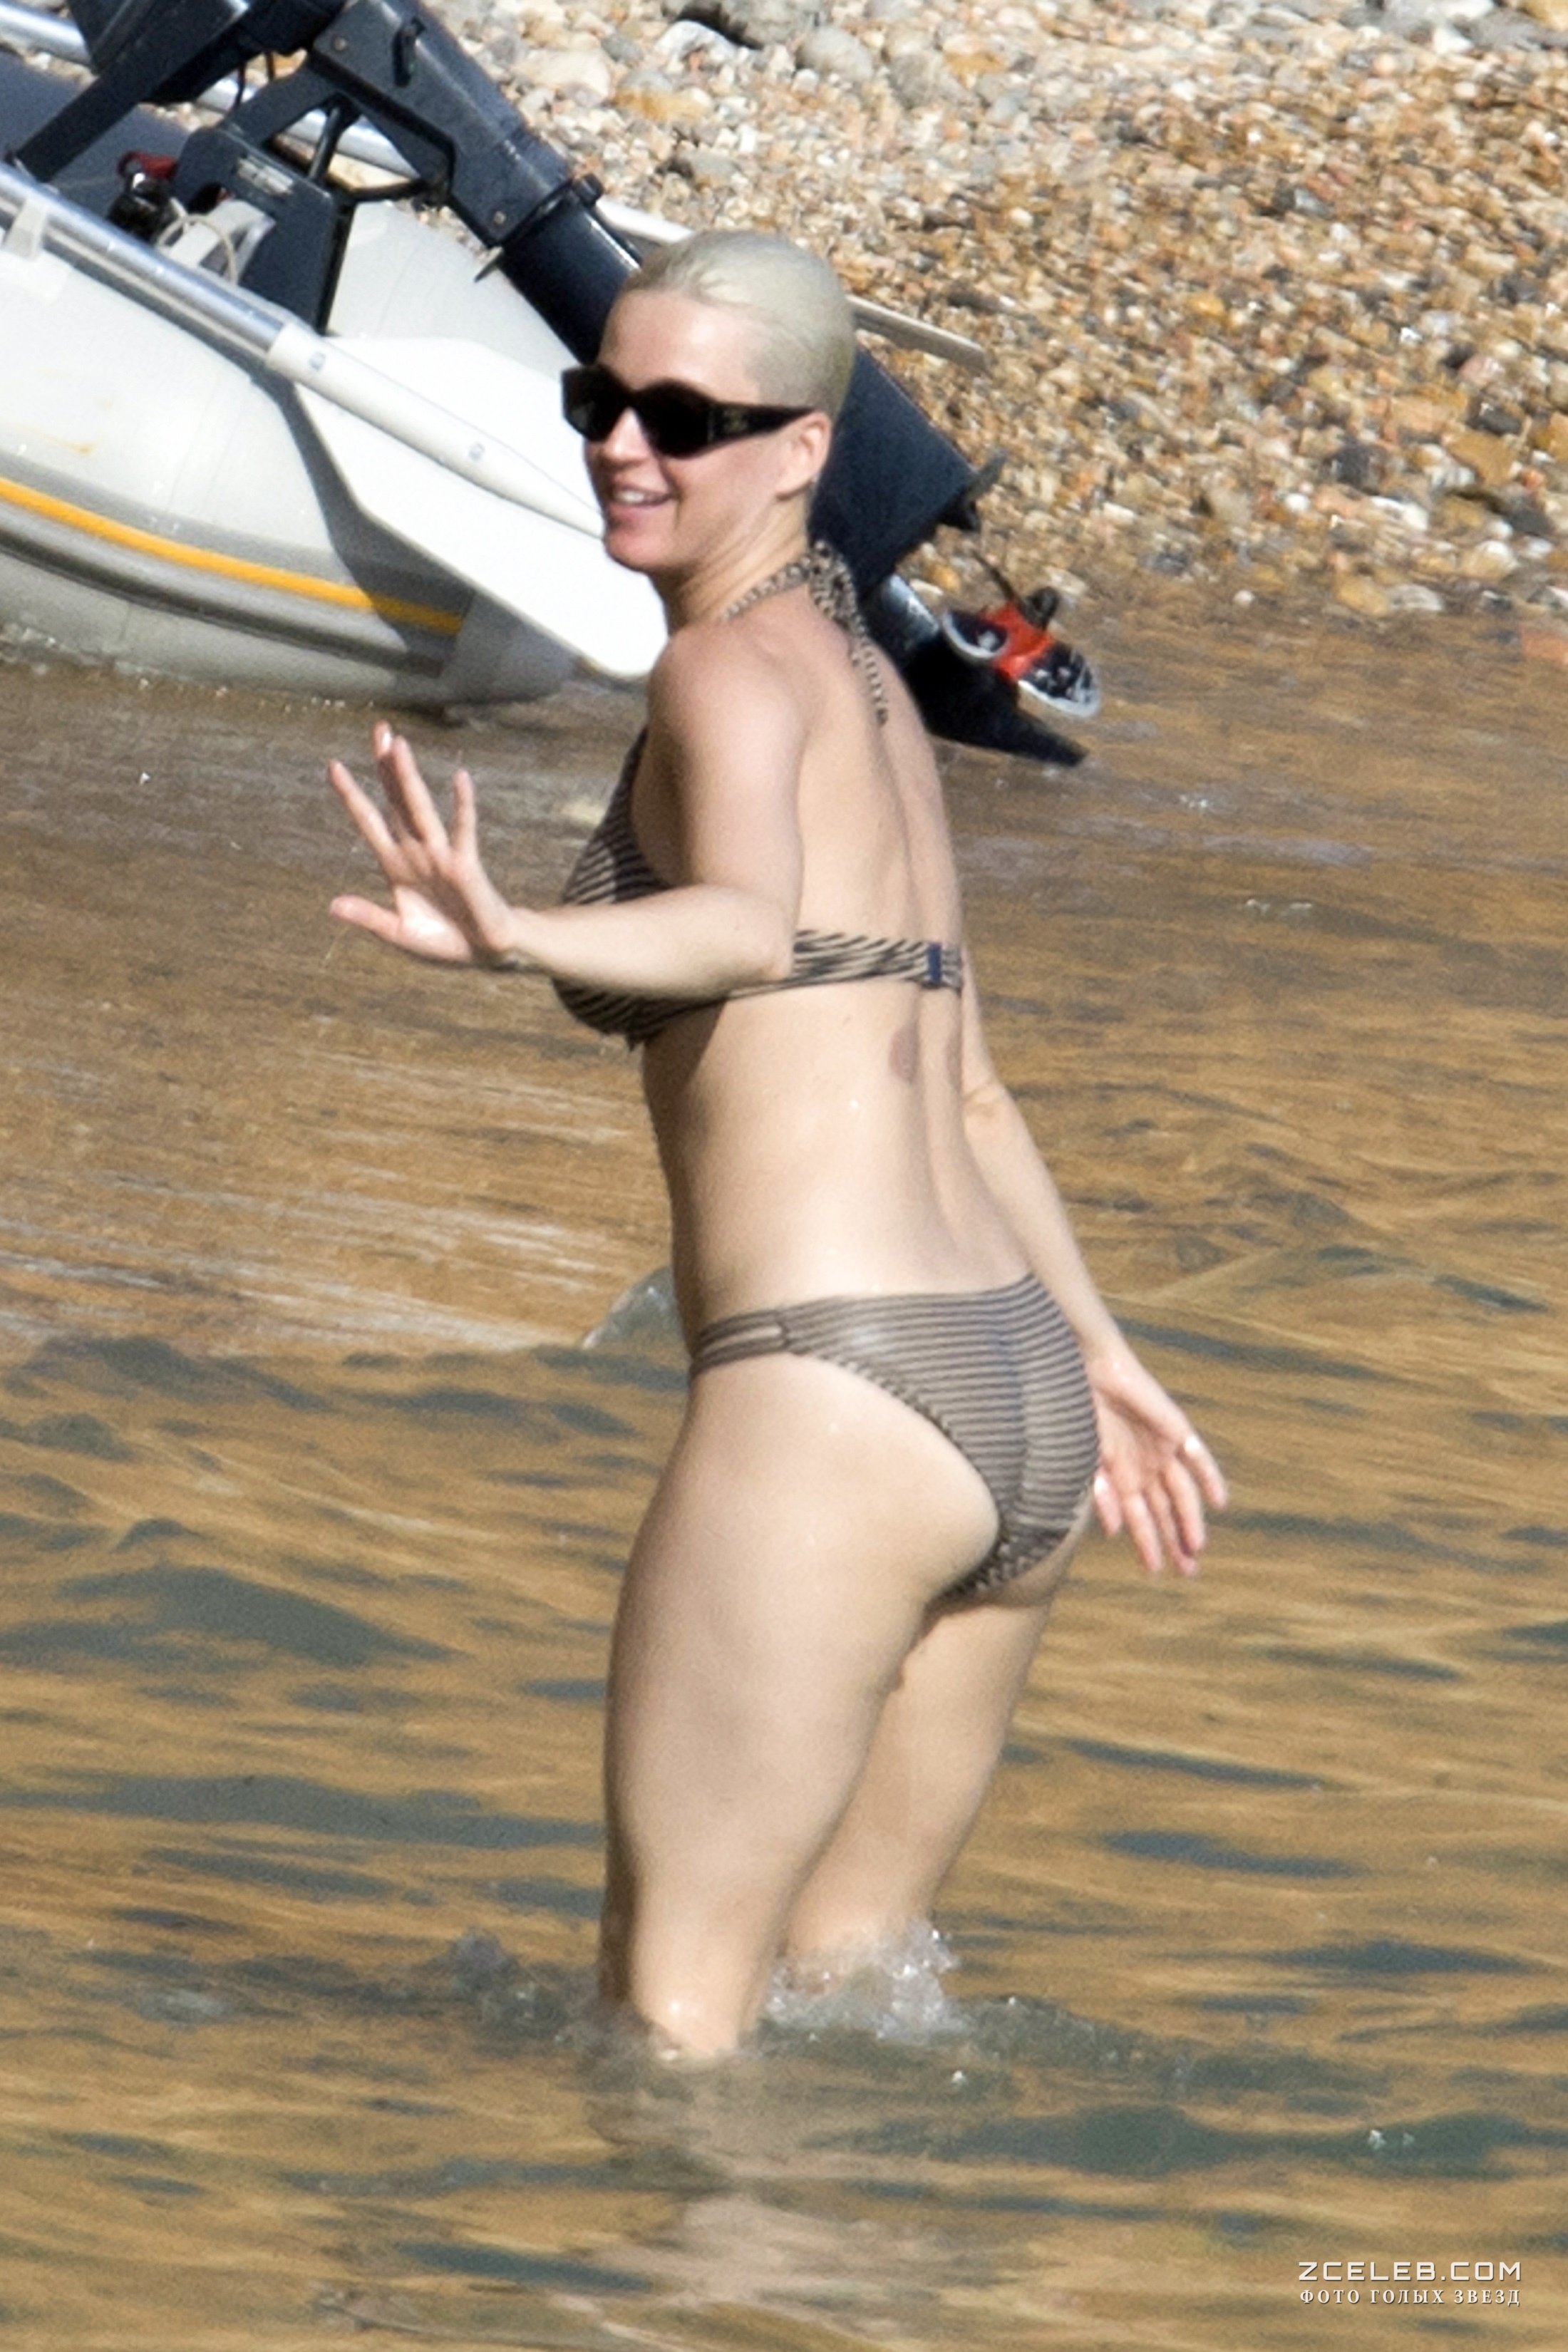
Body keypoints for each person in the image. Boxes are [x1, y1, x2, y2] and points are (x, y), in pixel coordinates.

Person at [326, 231, 1227, 2058]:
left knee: (668, 2024)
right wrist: (1100, 1354)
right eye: (599, 399)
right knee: (844, 1999)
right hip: (1014, 1390)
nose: (621, 444)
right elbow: (961, 1083)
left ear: (804, 448)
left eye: (683, 418)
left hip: (833, 1400)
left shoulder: (723, 676)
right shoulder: (872, 691)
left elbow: (741, 929)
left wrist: (514, 933)